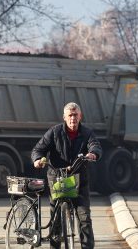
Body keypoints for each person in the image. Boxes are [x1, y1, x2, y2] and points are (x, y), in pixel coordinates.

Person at [31, 102, 101, 249]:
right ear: (64, 117)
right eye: (70, 115)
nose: (73, 118)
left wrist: (93, 153)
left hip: (79, 179)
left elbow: (95, 145)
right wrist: (37, 159)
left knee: (84, 218)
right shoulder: (54, 132)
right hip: (57, 178)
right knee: (56, 219)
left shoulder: (87, 133)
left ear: (80, 116)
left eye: (75, 115)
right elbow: (38, 149)